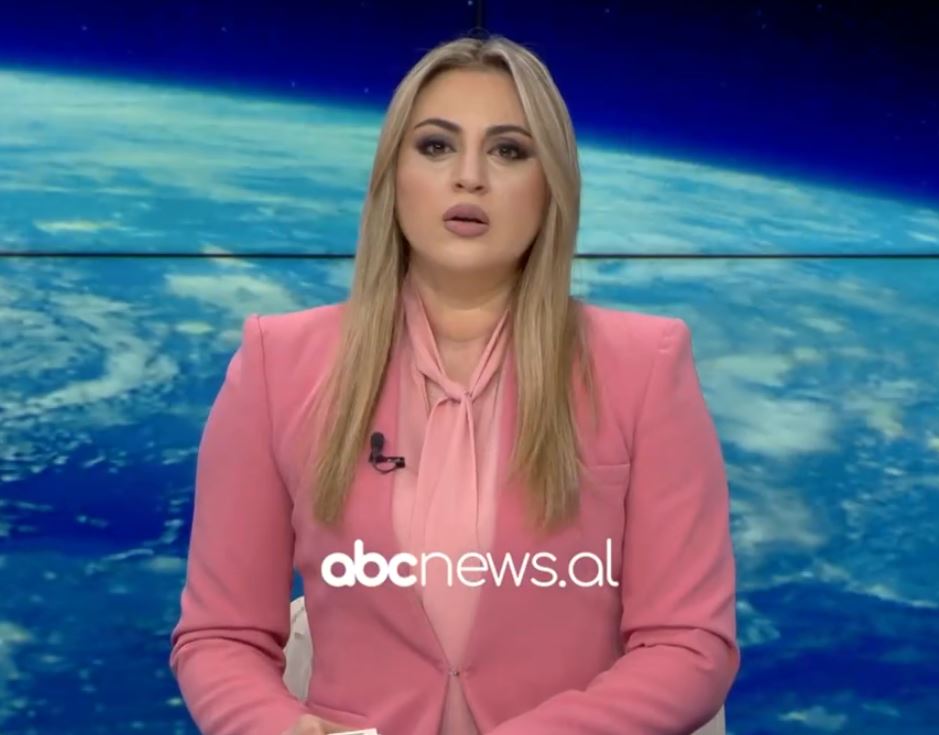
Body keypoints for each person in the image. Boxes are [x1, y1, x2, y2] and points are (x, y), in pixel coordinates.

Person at [168, 31, 740, 735]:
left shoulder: (644, 364)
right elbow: (221, 635)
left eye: (509, 151)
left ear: (551, 186)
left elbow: (688, 643)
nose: (469, 177)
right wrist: (278, 728)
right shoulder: (276, 364)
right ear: (392, 175)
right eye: (436, 146)